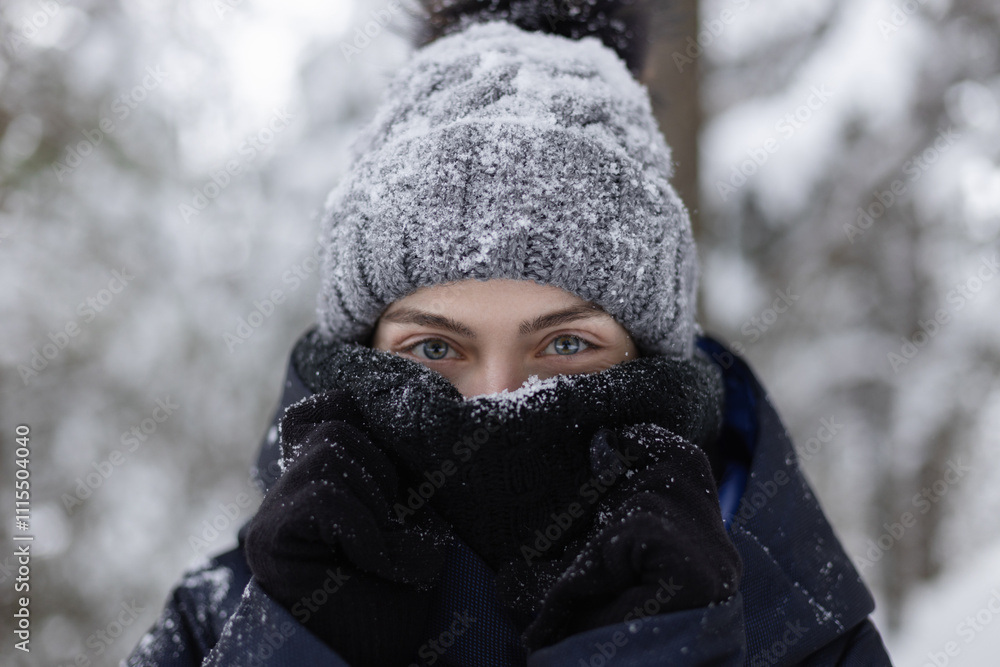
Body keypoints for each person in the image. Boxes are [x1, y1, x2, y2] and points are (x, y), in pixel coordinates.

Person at [126, 1, 893, 664]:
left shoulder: (803, 635)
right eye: (434, 349)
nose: (497, 400)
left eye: (564, 346)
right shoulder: (222, 623)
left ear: (652, 356)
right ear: (358, 355)